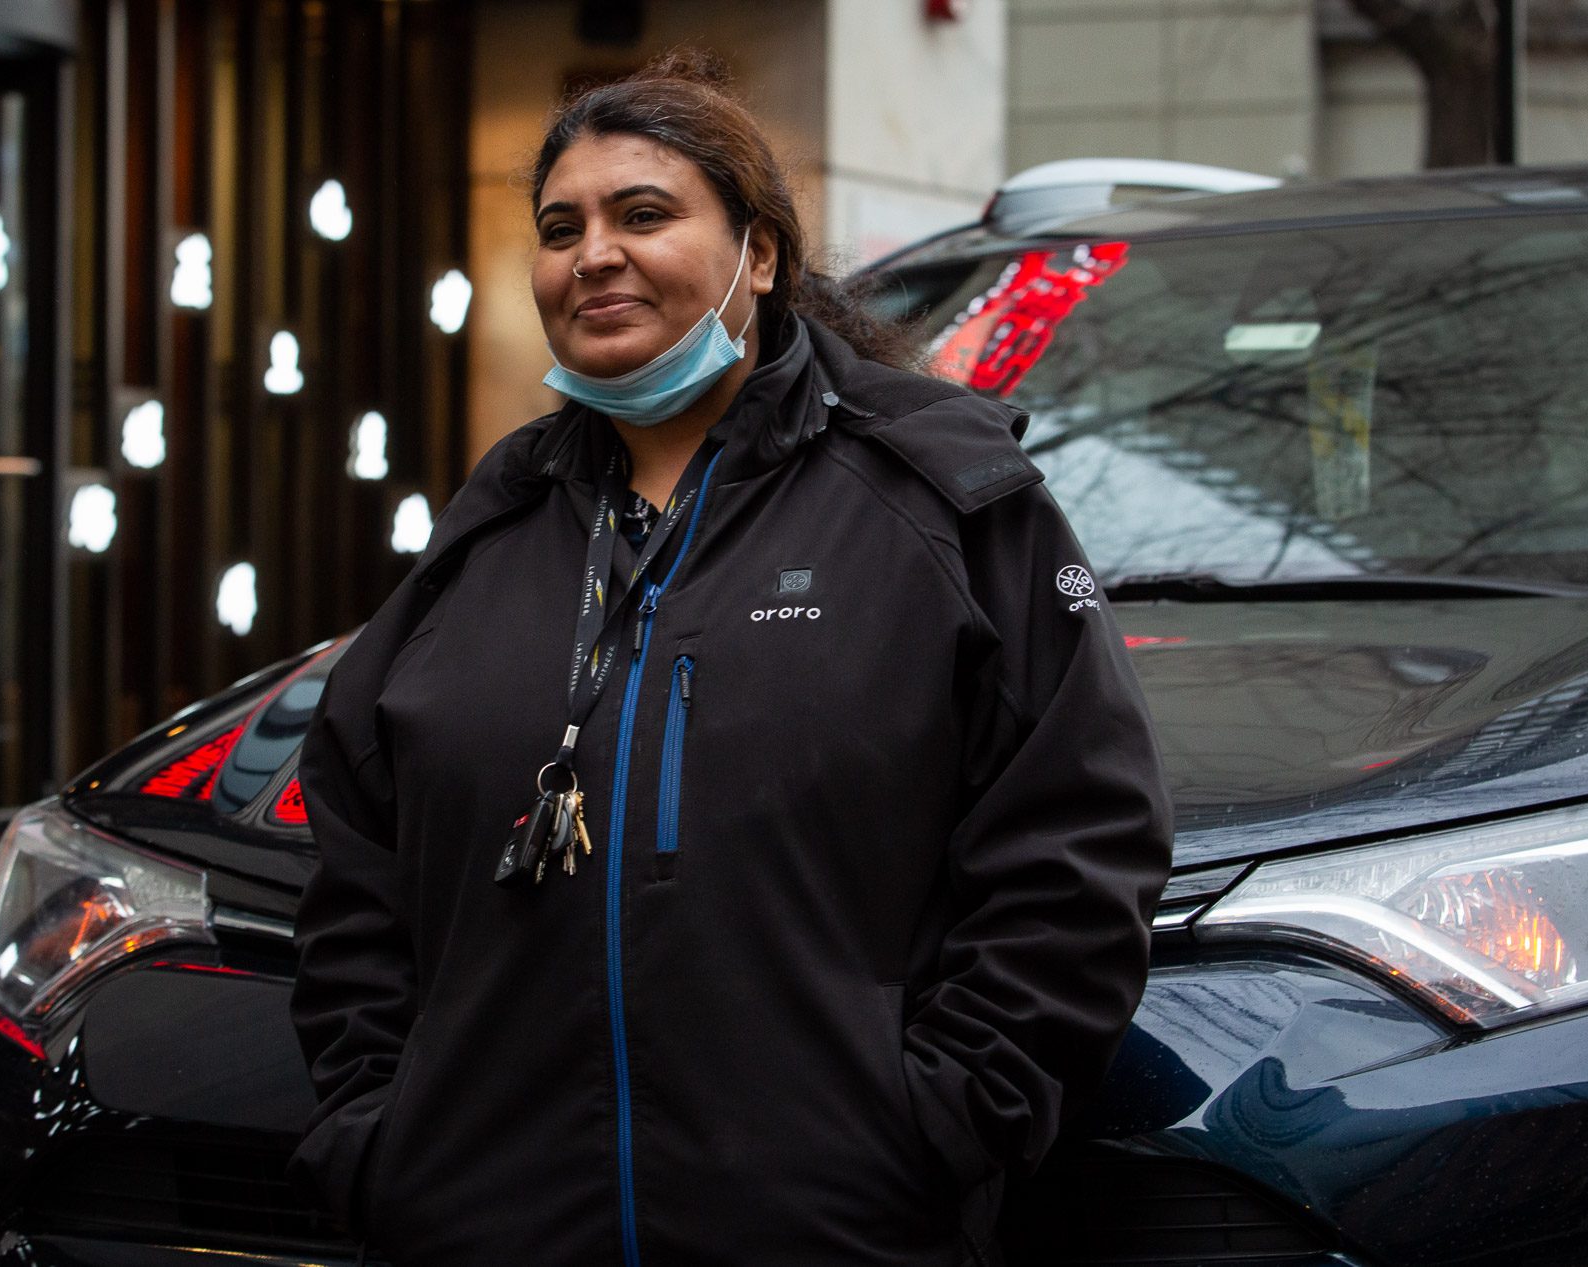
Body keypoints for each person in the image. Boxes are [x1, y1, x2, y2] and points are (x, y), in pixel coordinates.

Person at [288, 51, 1173, 1267]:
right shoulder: (491, 529)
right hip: (483, 1226)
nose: (594, 254)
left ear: (758, 254)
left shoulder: (936, 503)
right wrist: (381, 1136)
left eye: (643, 214)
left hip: (836, 1231)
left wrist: (941, 1123)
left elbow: (1078, 836)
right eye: (561, 228)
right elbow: (353, 857)